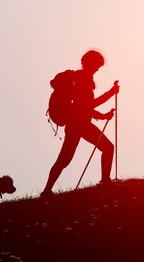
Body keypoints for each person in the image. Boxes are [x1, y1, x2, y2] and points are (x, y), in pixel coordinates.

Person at [40, 49, 119, 199]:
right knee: (67, 158)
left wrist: (103, 116)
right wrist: (111, 92)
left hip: (78, 124)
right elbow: (89, 105)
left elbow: (85, 107)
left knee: (65, 159)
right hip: (78, 125)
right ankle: (105, 182)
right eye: (96, 65)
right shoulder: (82, 80)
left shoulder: (81, 79)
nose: (97, 69)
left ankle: (46, 191)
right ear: (89, 63)